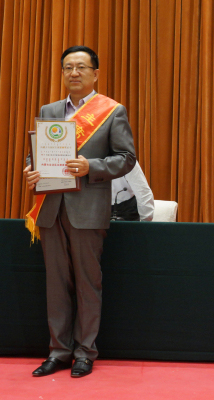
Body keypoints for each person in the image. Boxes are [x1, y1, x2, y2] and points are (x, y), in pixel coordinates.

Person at [23, 46, 136, 377]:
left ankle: (85, 352)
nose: (74, 72)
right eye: (68, 67)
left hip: (88, 209)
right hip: (50, 207)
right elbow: (38, 152)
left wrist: (91, 166)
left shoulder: (112, 111)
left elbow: (126, 158)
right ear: (62, 73)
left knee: (88, 283)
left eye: (81, 67)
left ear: (95, 74)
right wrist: (31, 169)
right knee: (56, 283)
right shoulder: (49, 109)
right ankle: (58, 351)